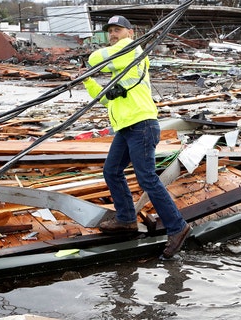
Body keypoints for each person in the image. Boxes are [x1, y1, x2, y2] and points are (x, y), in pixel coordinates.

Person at [80, 15, 191, 259]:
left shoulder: (133, 51)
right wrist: (87, 79)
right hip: (127, 128)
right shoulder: (120, 67)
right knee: (111, 171)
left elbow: (95, 58)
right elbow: (105, 97)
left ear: (131, 32)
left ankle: (178, 227)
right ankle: (127, 219)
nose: (113, 34)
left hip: (142, 125)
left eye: (118, 30)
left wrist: (90, 62)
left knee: (147, 178)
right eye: (110, 31)